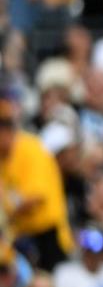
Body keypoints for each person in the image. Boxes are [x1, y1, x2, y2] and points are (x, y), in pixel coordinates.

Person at [0, 93, 73, 271]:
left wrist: (8, 210)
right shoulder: (2, 159)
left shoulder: (31, 148)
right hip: (20, 237)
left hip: (48, 237)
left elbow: (36, 198)